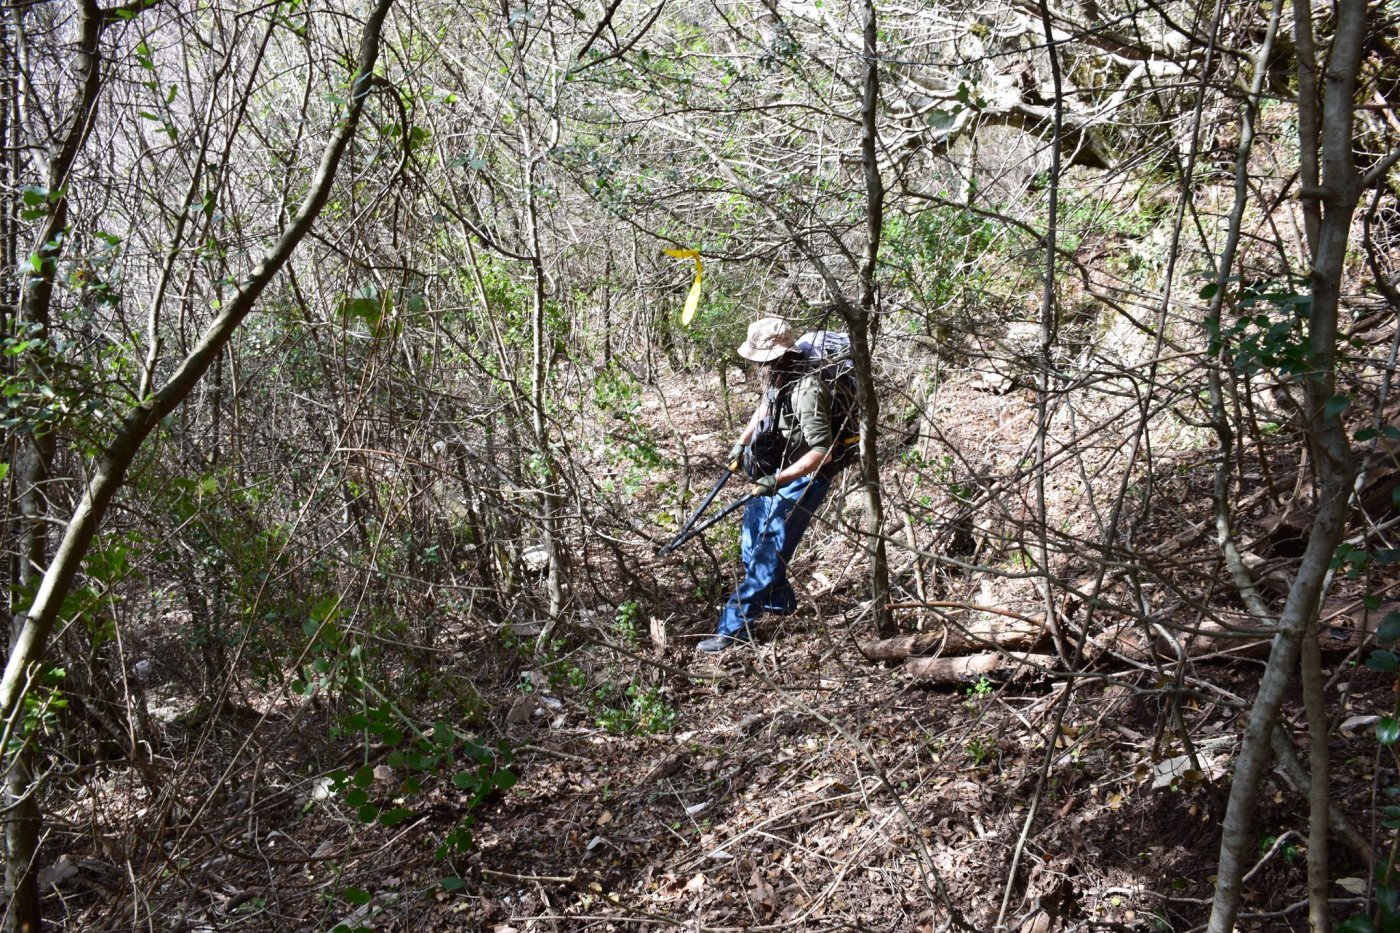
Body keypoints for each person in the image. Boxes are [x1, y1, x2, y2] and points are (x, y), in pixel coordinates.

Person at [697, 318, 842, 653]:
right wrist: (741, 443)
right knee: (751, 542)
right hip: (775, 469)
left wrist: (779, 480)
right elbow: (766, 406)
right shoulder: (777, 377)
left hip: (803, 478)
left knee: (766, 553)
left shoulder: (807, 389)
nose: (755, 364)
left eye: (760, 359)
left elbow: (824, 452)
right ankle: (778, 602)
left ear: (778, 355)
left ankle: (732, 630)